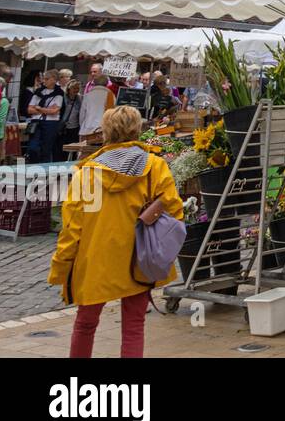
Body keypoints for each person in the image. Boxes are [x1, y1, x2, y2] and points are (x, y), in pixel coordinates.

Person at [47, 105, 184, 358]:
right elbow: (174, 212)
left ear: (106, 131)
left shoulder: (86, 173)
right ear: (137, 129)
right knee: (134, 326)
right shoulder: (155, 167)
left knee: (85, 324)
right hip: (139, 259)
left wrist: (61, 267)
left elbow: (71, 228)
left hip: (94, 262)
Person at [26, 70, 65, 163]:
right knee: (33, 147)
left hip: (51, 123)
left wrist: (39, 108)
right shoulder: (39, 91)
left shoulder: (59, 93)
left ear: (54, 80)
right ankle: (32, 168)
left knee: (46, 149)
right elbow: (29, 109)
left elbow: (55, 111)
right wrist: (45, 110)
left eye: (47, 79)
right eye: (44, 79)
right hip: (36, 122)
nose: (44, 81)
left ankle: (44, 172)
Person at [60, 79, 82, 152]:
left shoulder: (79, 98)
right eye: (74, 88)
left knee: (72, 147)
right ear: (69, 88)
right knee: (62, 147)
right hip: (64, 126)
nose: (76, 90)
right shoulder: (63, 97)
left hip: (74, 127)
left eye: (78, 88)